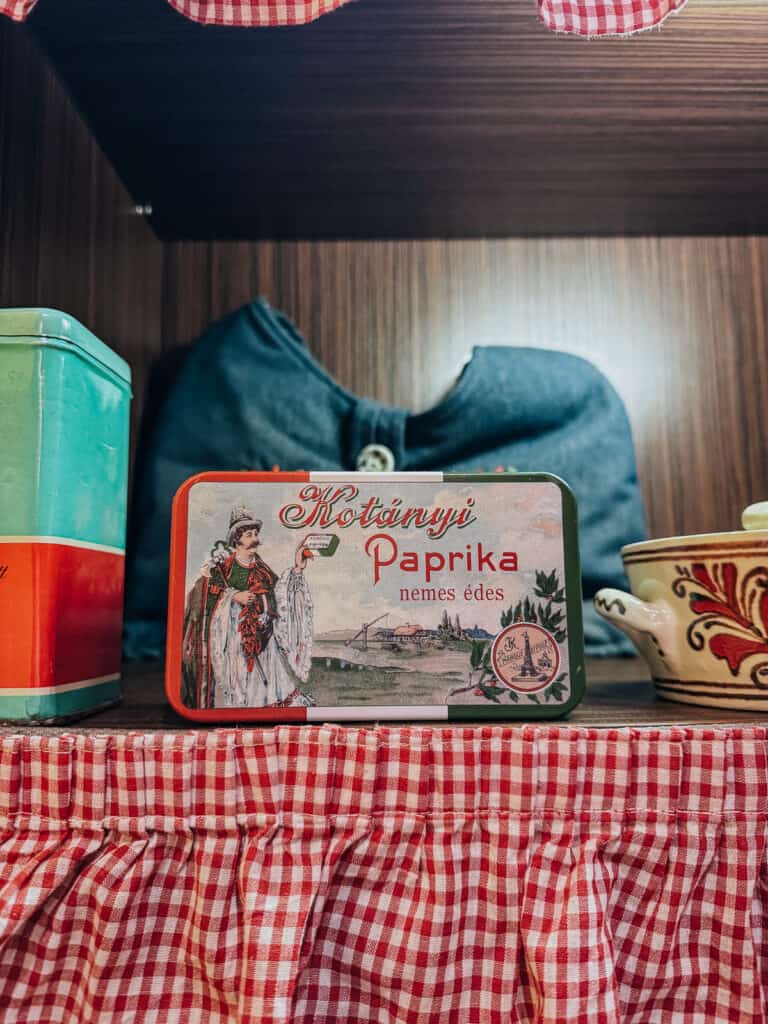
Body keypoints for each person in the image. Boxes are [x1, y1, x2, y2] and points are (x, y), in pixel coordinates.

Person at [182, 506, 316, 709]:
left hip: (265, 643)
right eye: (248, 534)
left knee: (274, 693)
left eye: (255, 534)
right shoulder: (224, 570)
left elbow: (282, 597)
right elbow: (207, 597)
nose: (254, 539)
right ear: (236, 539)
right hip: (235, 645)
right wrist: (234, 596)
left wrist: (297, 569)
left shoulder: (263, 569)